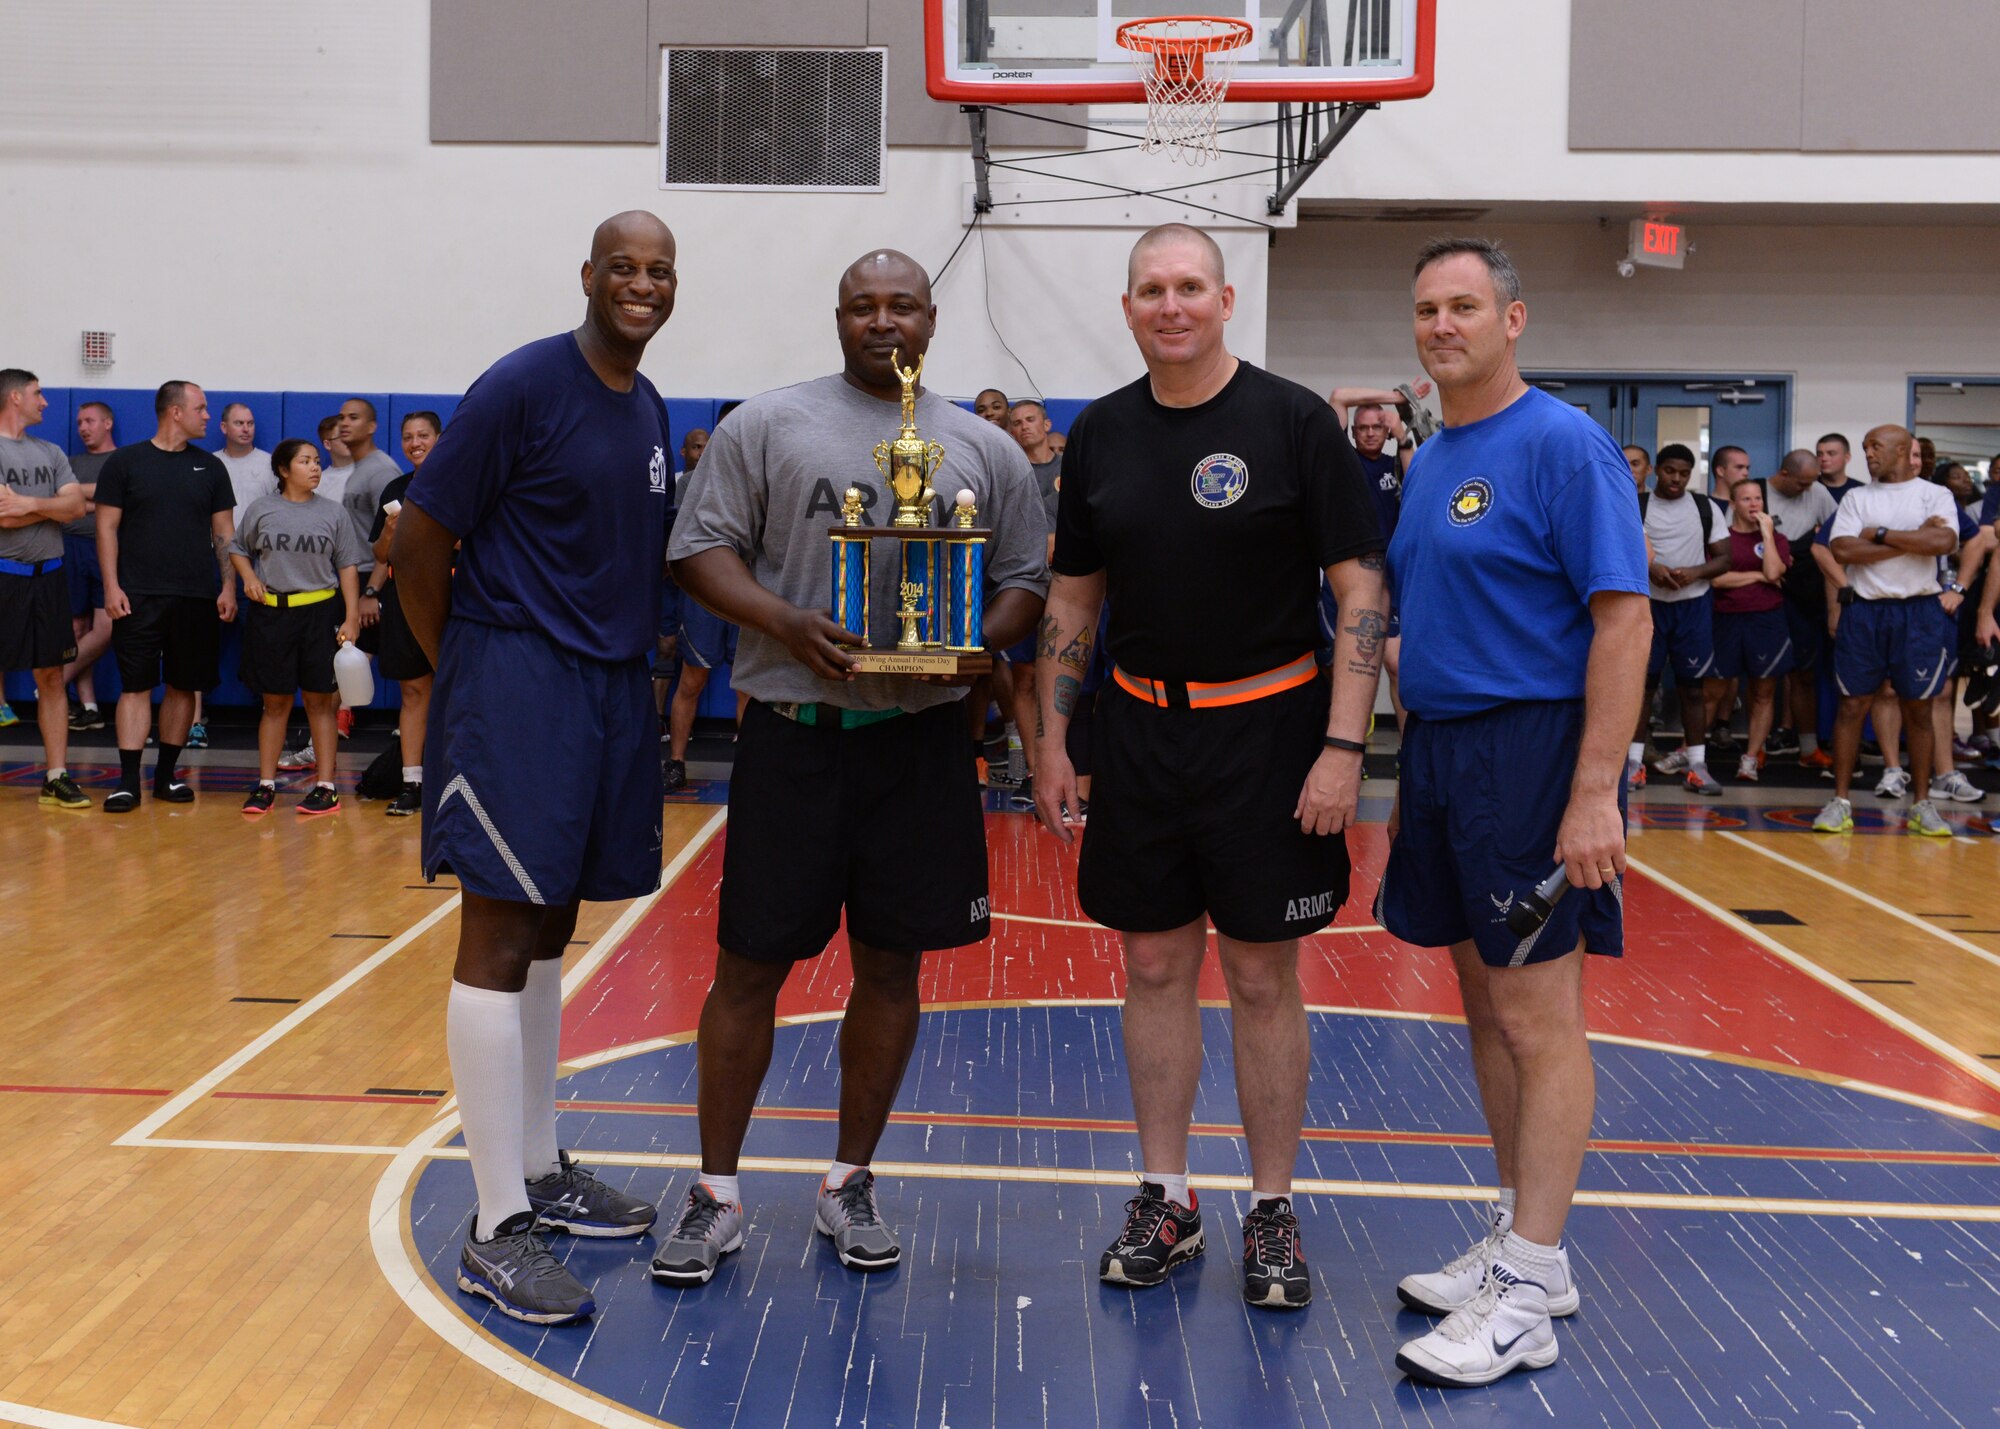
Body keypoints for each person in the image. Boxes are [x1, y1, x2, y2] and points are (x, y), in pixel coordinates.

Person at [654, 246, 1047, 1289]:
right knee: (748, 967)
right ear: (838, 318)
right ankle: (716, 1191)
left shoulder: (981, 447)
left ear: (929, 317)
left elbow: (1020, 582)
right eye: (863, 306)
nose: (884, 321)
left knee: (891, 967)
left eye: (902, 305)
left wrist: (978, 647)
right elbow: (698, 549)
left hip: (919, 743)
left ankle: (848, 1177)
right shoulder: (767, 423)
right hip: (795, 732)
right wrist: (782, 617)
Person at [1032, 223, 1385, 1312]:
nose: (1169, 304)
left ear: (1225, 299)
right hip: (1139, 735)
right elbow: (1073, 599)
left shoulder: (1289, 423)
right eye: (1150, 288)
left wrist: (1341, 747)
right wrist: (1049, 737)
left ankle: (1270, 1207)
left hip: (1271, 737)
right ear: (1128, 306)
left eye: (1189, 286)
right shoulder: (1097, 435)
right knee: (1149, 968)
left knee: (1265, 972)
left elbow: (1359, 591)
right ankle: (1165, 1194)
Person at [390, 211, 681, 1326]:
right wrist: (468, 661)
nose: (641, 285)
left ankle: (541, 1162)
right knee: (502, 927)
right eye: (623, 267)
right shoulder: (521, 384)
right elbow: (419, 541)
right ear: (588, 276)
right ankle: (494, 1221)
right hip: (515, 685)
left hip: (606, 692)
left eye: (658, 271)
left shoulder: (646, 404)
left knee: (555, 925)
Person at [1376, 237, 1650, 1389]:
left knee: (1540, 1017)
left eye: (1463, 306)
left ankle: (1527, 1284)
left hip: (1532, 752)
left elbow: (1622, 619)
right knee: (1485, 1007)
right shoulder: (1435, 453)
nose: (1442, 325)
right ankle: (1521, 1240)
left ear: (1512, 318)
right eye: (1427, 309)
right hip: (1442, 754)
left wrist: (1593, 787)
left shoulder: (1558, 443)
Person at [93, 381, 237, 813]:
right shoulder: (125, 463)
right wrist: (111, 586)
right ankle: (126, 783)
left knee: (184, 686)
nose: (208, 416)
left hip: (196, 595)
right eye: (202, 408)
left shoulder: (210, 467)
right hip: (136, 595)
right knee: (135, 686)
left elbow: (225, 534)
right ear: (175, 412)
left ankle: (166, 777)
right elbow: (106, 529)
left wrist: (228, 585)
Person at [1812, 425, 1959, 836]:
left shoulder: (1934, 495)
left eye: (1876, 447)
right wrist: (1914, 540)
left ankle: (1922, 804)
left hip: (1919, 613)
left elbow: (1944, 541)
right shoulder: (1858, 497)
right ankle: (1840, 802)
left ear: (1901, 450)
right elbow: (1842, 549)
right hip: (1865, 612)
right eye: (1865, 448)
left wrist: (1876, 534)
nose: (1868, 454)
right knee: (1852, 706)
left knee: (1919, 708)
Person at [231, 439, 363, 816]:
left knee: (320, 703)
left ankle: (325, 787)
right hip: (272, 614)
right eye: (305, 461)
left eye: (317, 461)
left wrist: (352, 616)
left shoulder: (334, 514)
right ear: (284, 470)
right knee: (274, 703)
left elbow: (347, 566)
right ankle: (266, 785)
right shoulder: (262, 509)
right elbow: (238, 549)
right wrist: (247, 578)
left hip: (320, 612)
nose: (315, 467)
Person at [0, 369, 90, 808]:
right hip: (5, 578)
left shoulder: (51, 450)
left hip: (50, 578)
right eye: (38, 394)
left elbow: (76, 508)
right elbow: (2, 518)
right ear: (15, 398)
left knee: (52, 677)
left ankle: (56, 776)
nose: (46, 402)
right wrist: (53, 509)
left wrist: (31, 504)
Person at [1637, 445, 1727, 794]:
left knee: (1693, 688)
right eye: (1670, 471)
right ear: (1657, 469)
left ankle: (1697, 766)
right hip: (1648, 605)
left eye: (1683, 473)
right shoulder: (1637, 505)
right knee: (1642, 687)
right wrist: (1650, 568)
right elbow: (1617, 548)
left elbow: (1724, 559)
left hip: (1692, 606)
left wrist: (1694, 572)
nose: (1676, 478)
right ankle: (1632, 765)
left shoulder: (1705, 508)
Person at [367, 411, 444, 816]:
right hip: (403, 598)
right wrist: (391, 534)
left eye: (423, 436)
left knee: (457, 691)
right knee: (414, 691)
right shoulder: (396, 489)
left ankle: (458, 780)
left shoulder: (460, 483)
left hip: (454, 598)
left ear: (439, 438)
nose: (415, 443)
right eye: (408, 437)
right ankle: (412, 781)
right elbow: (380, 554)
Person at [662, 428, 733, 795]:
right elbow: (679, 533)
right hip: (704, 593)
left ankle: (751, 766)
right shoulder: (690, 483)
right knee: (692, 680)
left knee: (748, 686)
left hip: (746, 590)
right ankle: (676, 762)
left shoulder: (755, 479)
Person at [1709, 479, 1793, 780]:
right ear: (1733, 503)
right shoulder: (1723, 538)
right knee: (1712, 691)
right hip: (1727, 618)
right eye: (1746, 499)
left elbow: (1774, 571)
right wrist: (1757, 575)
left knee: (1762, 692)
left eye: (1758, 498)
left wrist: (1768, 534)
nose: (1754, 504)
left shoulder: (1778, 540)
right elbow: (1718, 580)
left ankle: (1750, 757)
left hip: (1766, 621)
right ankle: (1689, 752)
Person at [1758, 449, 1838, 765]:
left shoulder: (1817, 492)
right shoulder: (1757, 492)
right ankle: (1756, 750)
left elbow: (1836, 535)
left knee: (1803, 673)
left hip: (1805, 593)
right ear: (1785, 473)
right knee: (1761, 678)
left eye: (1811, 484)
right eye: (1802, 484)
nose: (1807, 490)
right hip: (1764, 592)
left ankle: (1808, 748)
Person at [62, 400, 118, 731]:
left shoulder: (120, 461)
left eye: (90, 421)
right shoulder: (70, 463)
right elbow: (63, 504)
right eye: (80, 422)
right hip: (69, 548)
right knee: (77, 629)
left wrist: (81, 500)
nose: (83, 427)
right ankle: (89, 706)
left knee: (105, 629)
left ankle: (54, 681)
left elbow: (117, 499)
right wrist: (95, 502)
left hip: (105, 549)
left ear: (107, 423)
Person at [214, 402, 271, 530]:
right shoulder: (211, 463)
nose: (246, 429)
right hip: (219, 545)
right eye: (239, 423)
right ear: (224, 427)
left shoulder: (270, 463)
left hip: (257, 545)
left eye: (250, 423)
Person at [1818, 432, 1861, 501]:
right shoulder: (1806, 487)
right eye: (1819, 454)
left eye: (1831, 453)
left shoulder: (1860, 490)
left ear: (1847, 457)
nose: (1824, 458)